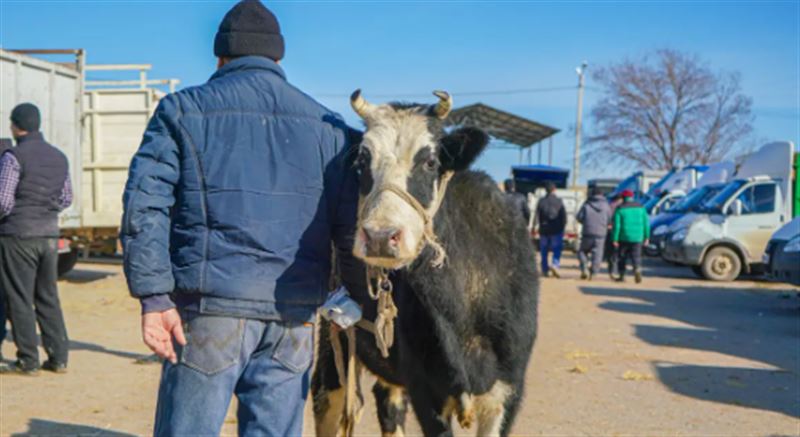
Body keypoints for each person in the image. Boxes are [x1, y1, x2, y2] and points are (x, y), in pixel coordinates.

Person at [120, 1, 360, 435]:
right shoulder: (331, 128)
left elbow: (145, 206)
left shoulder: (181, 111)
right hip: (294, 316)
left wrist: (154, 298)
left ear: (220, 56)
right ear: (278, 57)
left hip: (209, 308)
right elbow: (349, 226)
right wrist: (353, 294)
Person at [0, 103, 72, 375]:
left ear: (16, 126)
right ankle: (59, 358)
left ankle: (28, 360)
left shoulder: (13, 156)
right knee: (48, 297)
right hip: (49, 234)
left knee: (19, 298)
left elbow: (4, 201)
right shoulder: (59, 157)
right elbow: (66, 198)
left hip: (18, 234)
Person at [612, 189, 650, 283]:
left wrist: (615, 238)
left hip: (623, 237)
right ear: (632, 197)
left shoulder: (620, 208)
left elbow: (617, 225)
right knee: (636, 256)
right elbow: (646, 223)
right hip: (638, 237)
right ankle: (637, 269)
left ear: (623, 197)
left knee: (622, 257)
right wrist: (647, 237)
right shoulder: (641, 207)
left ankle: (622, 275)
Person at [576, 186, 612, 280]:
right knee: (598, 254)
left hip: (587, 232)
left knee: (582, 251)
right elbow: (610, 219)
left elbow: (579, 217)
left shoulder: (586, 204)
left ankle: (584, 267)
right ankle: (594, 273)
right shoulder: (606, 206)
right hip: (601, 233)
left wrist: (586, 222)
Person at [535, 181, 567, 277]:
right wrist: (562, 227)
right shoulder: (559, 201)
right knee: (556, 249)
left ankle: (545, 269)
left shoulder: (541, 201)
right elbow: (563, 216)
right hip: (556, 229)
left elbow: (537, 216)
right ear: (554, 190)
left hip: (544, 229)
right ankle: (555, 265)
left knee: (544, 251)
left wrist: (536, 227)